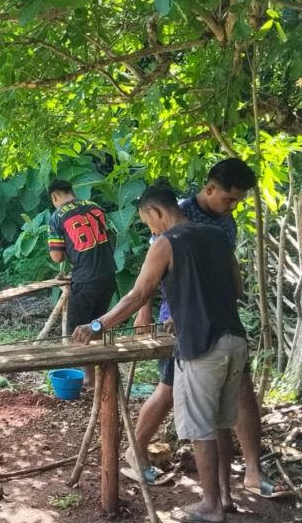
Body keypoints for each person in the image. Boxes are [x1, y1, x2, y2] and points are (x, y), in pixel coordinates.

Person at [74, 184, 249, 523]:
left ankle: (210, 506)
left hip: (203, 348)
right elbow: (236, 289)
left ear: (156, 212)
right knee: (223, 424)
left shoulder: (166, 242)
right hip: (235, 342)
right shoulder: (217, 237)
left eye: (148, 223)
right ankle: (225, 497)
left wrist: (97, 326)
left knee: (201, 429)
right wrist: (186, 313)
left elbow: (138, 296)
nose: (151, 231)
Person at [130, 159, 290, 501]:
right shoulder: (174, 214)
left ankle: (246, 474)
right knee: (169, 391)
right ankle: (136, 449)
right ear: (210, 188)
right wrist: (144, 311)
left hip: (218, 323)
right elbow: (150, 272)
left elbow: (231, 279)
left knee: (239, 395)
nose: (232, 207)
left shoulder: (225, 225)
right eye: (229, 199)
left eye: (238, 202)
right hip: (184, 320)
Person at [47, 179, 117, 389]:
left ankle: (90, 380)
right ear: (72, 192)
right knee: (98, 325)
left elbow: (57, 256)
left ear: (54, 197)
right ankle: (104, 374)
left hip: (85, 279)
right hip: (107, 275)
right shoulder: (95, 207)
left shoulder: (57, 216)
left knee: (79, 330)